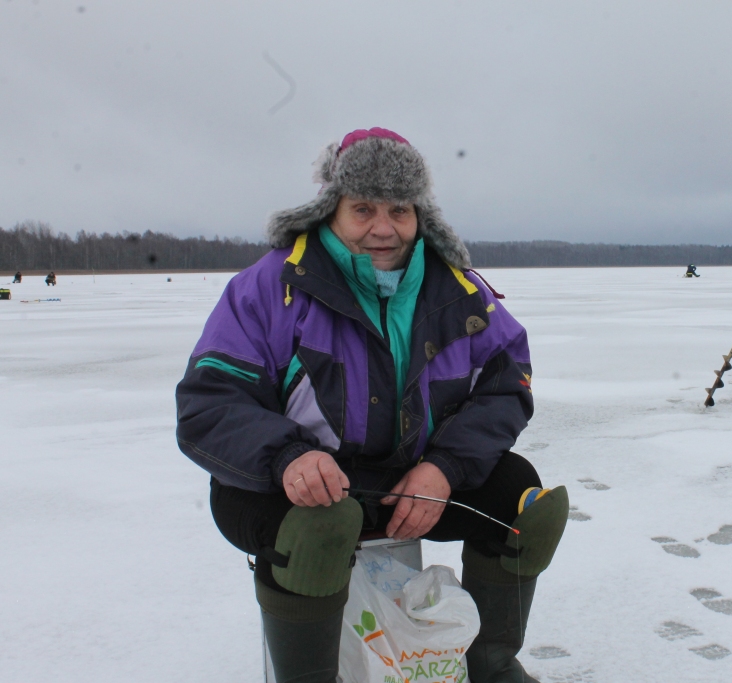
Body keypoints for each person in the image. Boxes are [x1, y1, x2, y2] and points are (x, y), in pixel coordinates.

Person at [176, 128, 568, 683]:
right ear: (329, 209)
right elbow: (207, 402)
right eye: (363, 209)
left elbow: (509, 383)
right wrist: (288, 457)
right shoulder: (270, 287)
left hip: (410, 487)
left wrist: (444, 467)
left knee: (526, 502)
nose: (384, 228)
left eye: (400, 210)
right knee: (321, 526)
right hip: (287, 489)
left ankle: (490, 663)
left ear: (419, 214)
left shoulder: (458, 291)